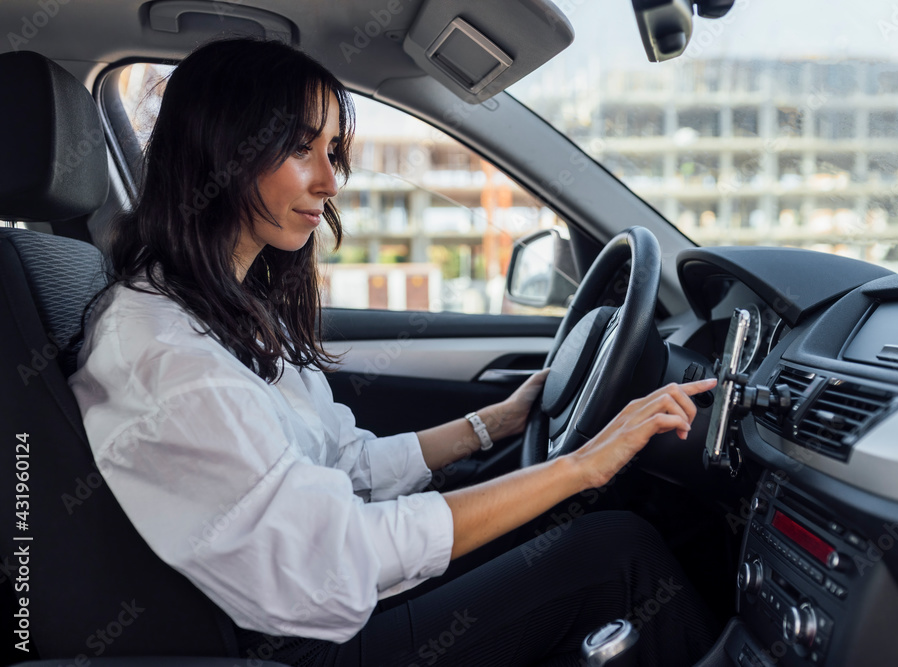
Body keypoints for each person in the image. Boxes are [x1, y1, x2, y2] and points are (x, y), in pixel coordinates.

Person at [67, 37, 719, 666]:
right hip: (303, 638)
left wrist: (494, 423)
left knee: (580, 511)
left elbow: (344, 463)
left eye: (332, 150)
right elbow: (343, 549)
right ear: (223, 152)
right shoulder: (173, 357)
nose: (329, 180)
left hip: (322, 594)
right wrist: (581, 464)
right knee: (617, 553)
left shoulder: (216, 309)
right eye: (301, 149)